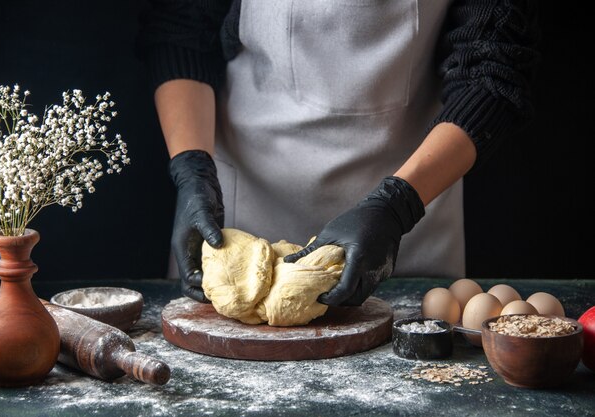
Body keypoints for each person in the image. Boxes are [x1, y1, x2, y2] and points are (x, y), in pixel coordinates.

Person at [138, 0, 538, 306]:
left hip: (411, 212)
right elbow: (181, 29)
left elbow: (494, 68)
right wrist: (192, 168)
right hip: (243, 210)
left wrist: (397, 205)